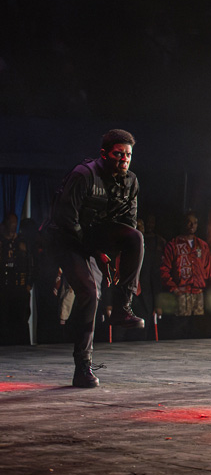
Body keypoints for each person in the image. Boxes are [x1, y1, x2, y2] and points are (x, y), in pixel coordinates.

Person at [42, 129, 145, 388]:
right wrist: (97, 253)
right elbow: (67, 222)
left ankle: (122, 307)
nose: (124, 159)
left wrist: (118, 256)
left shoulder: (131, 181)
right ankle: (83, 366)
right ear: (104, 154)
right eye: (118, 154)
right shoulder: (84, 175)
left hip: (94, 234)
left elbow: (128, 223)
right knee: (89, 293)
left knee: (136, 237)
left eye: (128, 155)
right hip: (65, 239)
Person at [160, 211, 211, 318]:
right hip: (181, 294)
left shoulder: (203, 246)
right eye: (189, 222)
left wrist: (207, 289)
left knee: (197, 324)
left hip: (198, 294)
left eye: (195, 223)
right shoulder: (173, 245)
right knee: (181, 324)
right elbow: (164, 270)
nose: (192, 225)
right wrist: (174, 289)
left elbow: (208, 270)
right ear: (183, 223)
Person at [1, 212, 33, 345]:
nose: (13, 226)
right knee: (4, 318)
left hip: (20, 286)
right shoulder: (2, 242)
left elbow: (30, 263)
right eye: (10, 223)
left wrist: (29, 284)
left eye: (14, 223)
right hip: (4, 286)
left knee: (21, 318)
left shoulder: (22, 242)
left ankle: (23, 344)